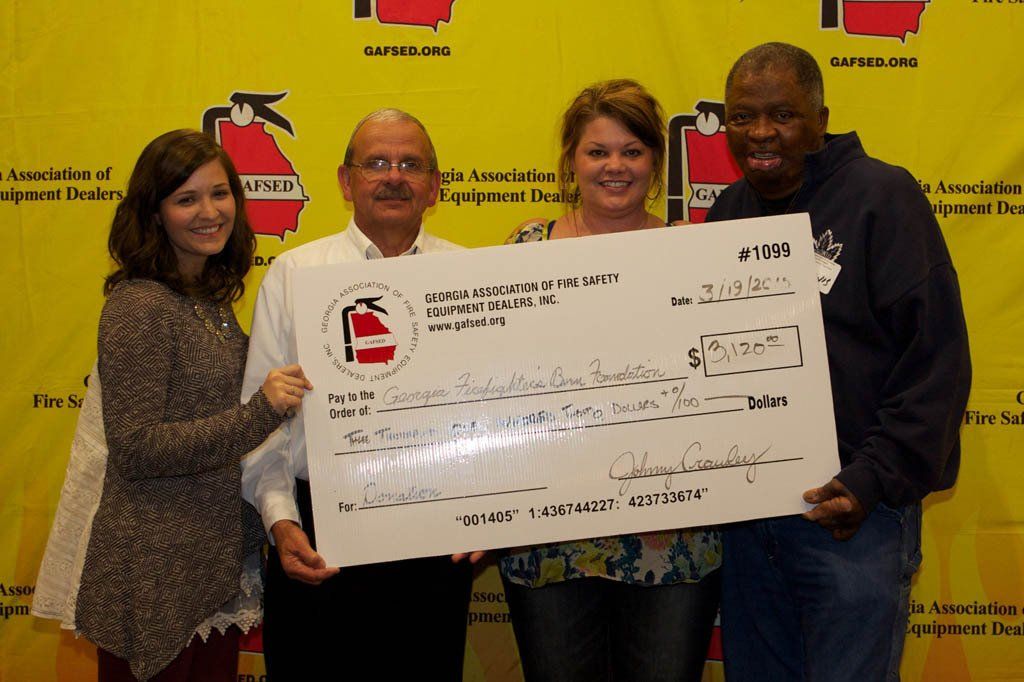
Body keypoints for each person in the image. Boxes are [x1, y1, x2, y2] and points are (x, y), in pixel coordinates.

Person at [705, 43, 971, 681]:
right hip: (750, 527)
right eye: (742, 117)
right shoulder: (728, 214)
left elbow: (936, 363)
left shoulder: (883, 197)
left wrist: (871, 478)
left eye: (783, 115)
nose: (761, 133)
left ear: (821, 119)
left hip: (854, 523)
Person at [44, 129, 310, 681]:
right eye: (186, 199)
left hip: (208, 568)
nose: (209, 212)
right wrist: (261, 410)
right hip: (154, 578)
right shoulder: (140, 304)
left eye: (219, 193)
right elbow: (137, 448)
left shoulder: (207, 297)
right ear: (154, 212)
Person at [240, 109, 475, 680]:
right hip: (319, 539)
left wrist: (486, 512)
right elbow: (260, 421)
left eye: (410, 164)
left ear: (435, 186)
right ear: (346, 182)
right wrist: (281, 522)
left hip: (434, 536)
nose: (393, 176)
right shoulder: (294, 274)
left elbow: (491, 414)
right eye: (375, 163)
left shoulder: (472, 276)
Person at [501, 79, 721, 682]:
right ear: (572, 159)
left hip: (670, 535)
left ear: (656, 160)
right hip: (549, 538)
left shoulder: (695, 252)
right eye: (597, 151)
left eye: (633, 150)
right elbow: (495, 386)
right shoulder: (525, 250)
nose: (615, 166)